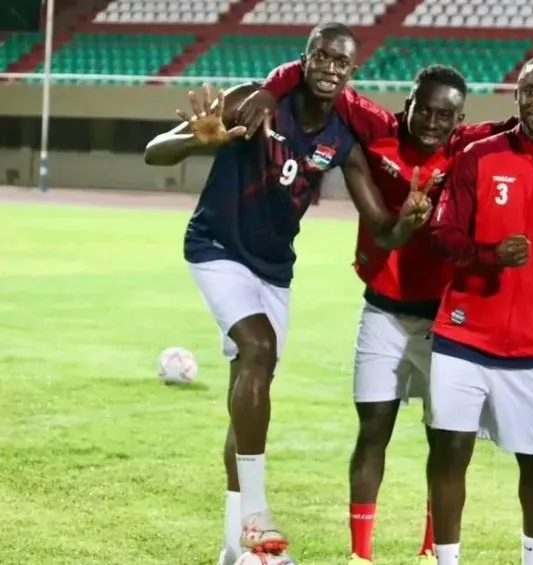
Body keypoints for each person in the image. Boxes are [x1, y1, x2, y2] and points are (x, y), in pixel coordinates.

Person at [235, 62, 533, 564]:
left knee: (442, 441)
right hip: (384, 309)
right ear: (408, 106)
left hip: (444, 318)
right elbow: (320, 76)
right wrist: (270, 91)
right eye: (424, 110)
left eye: (445, 115)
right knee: (373, 429)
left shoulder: (469, 145)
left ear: (459, 118)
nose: (432, 122)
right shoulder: (378, 131)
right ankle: (362, 554)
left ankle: (430, 550)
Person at [144, 23, 431, 565]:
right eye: (320, 56)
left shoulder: (342, 143)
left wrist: (407, 223)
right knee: (258, 348)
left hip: (274, 270)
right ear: (304, 60)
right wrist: (193, 138)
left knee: (247, 397)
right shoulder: (253, 102)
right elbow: (153, 152)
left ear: (351, 74)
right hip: (216, 247)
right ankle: (256, 517)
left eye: (340, 62)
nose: (329, 67)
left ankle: (235, 548)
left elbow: (383, 227)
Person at [425, 55, 533, 565]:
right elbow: (443, 234)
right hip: (463, 336)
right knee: (449, 453)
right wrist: (491, 256)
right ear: (516, 96)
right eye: (530, 90)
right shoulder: (478, 156)